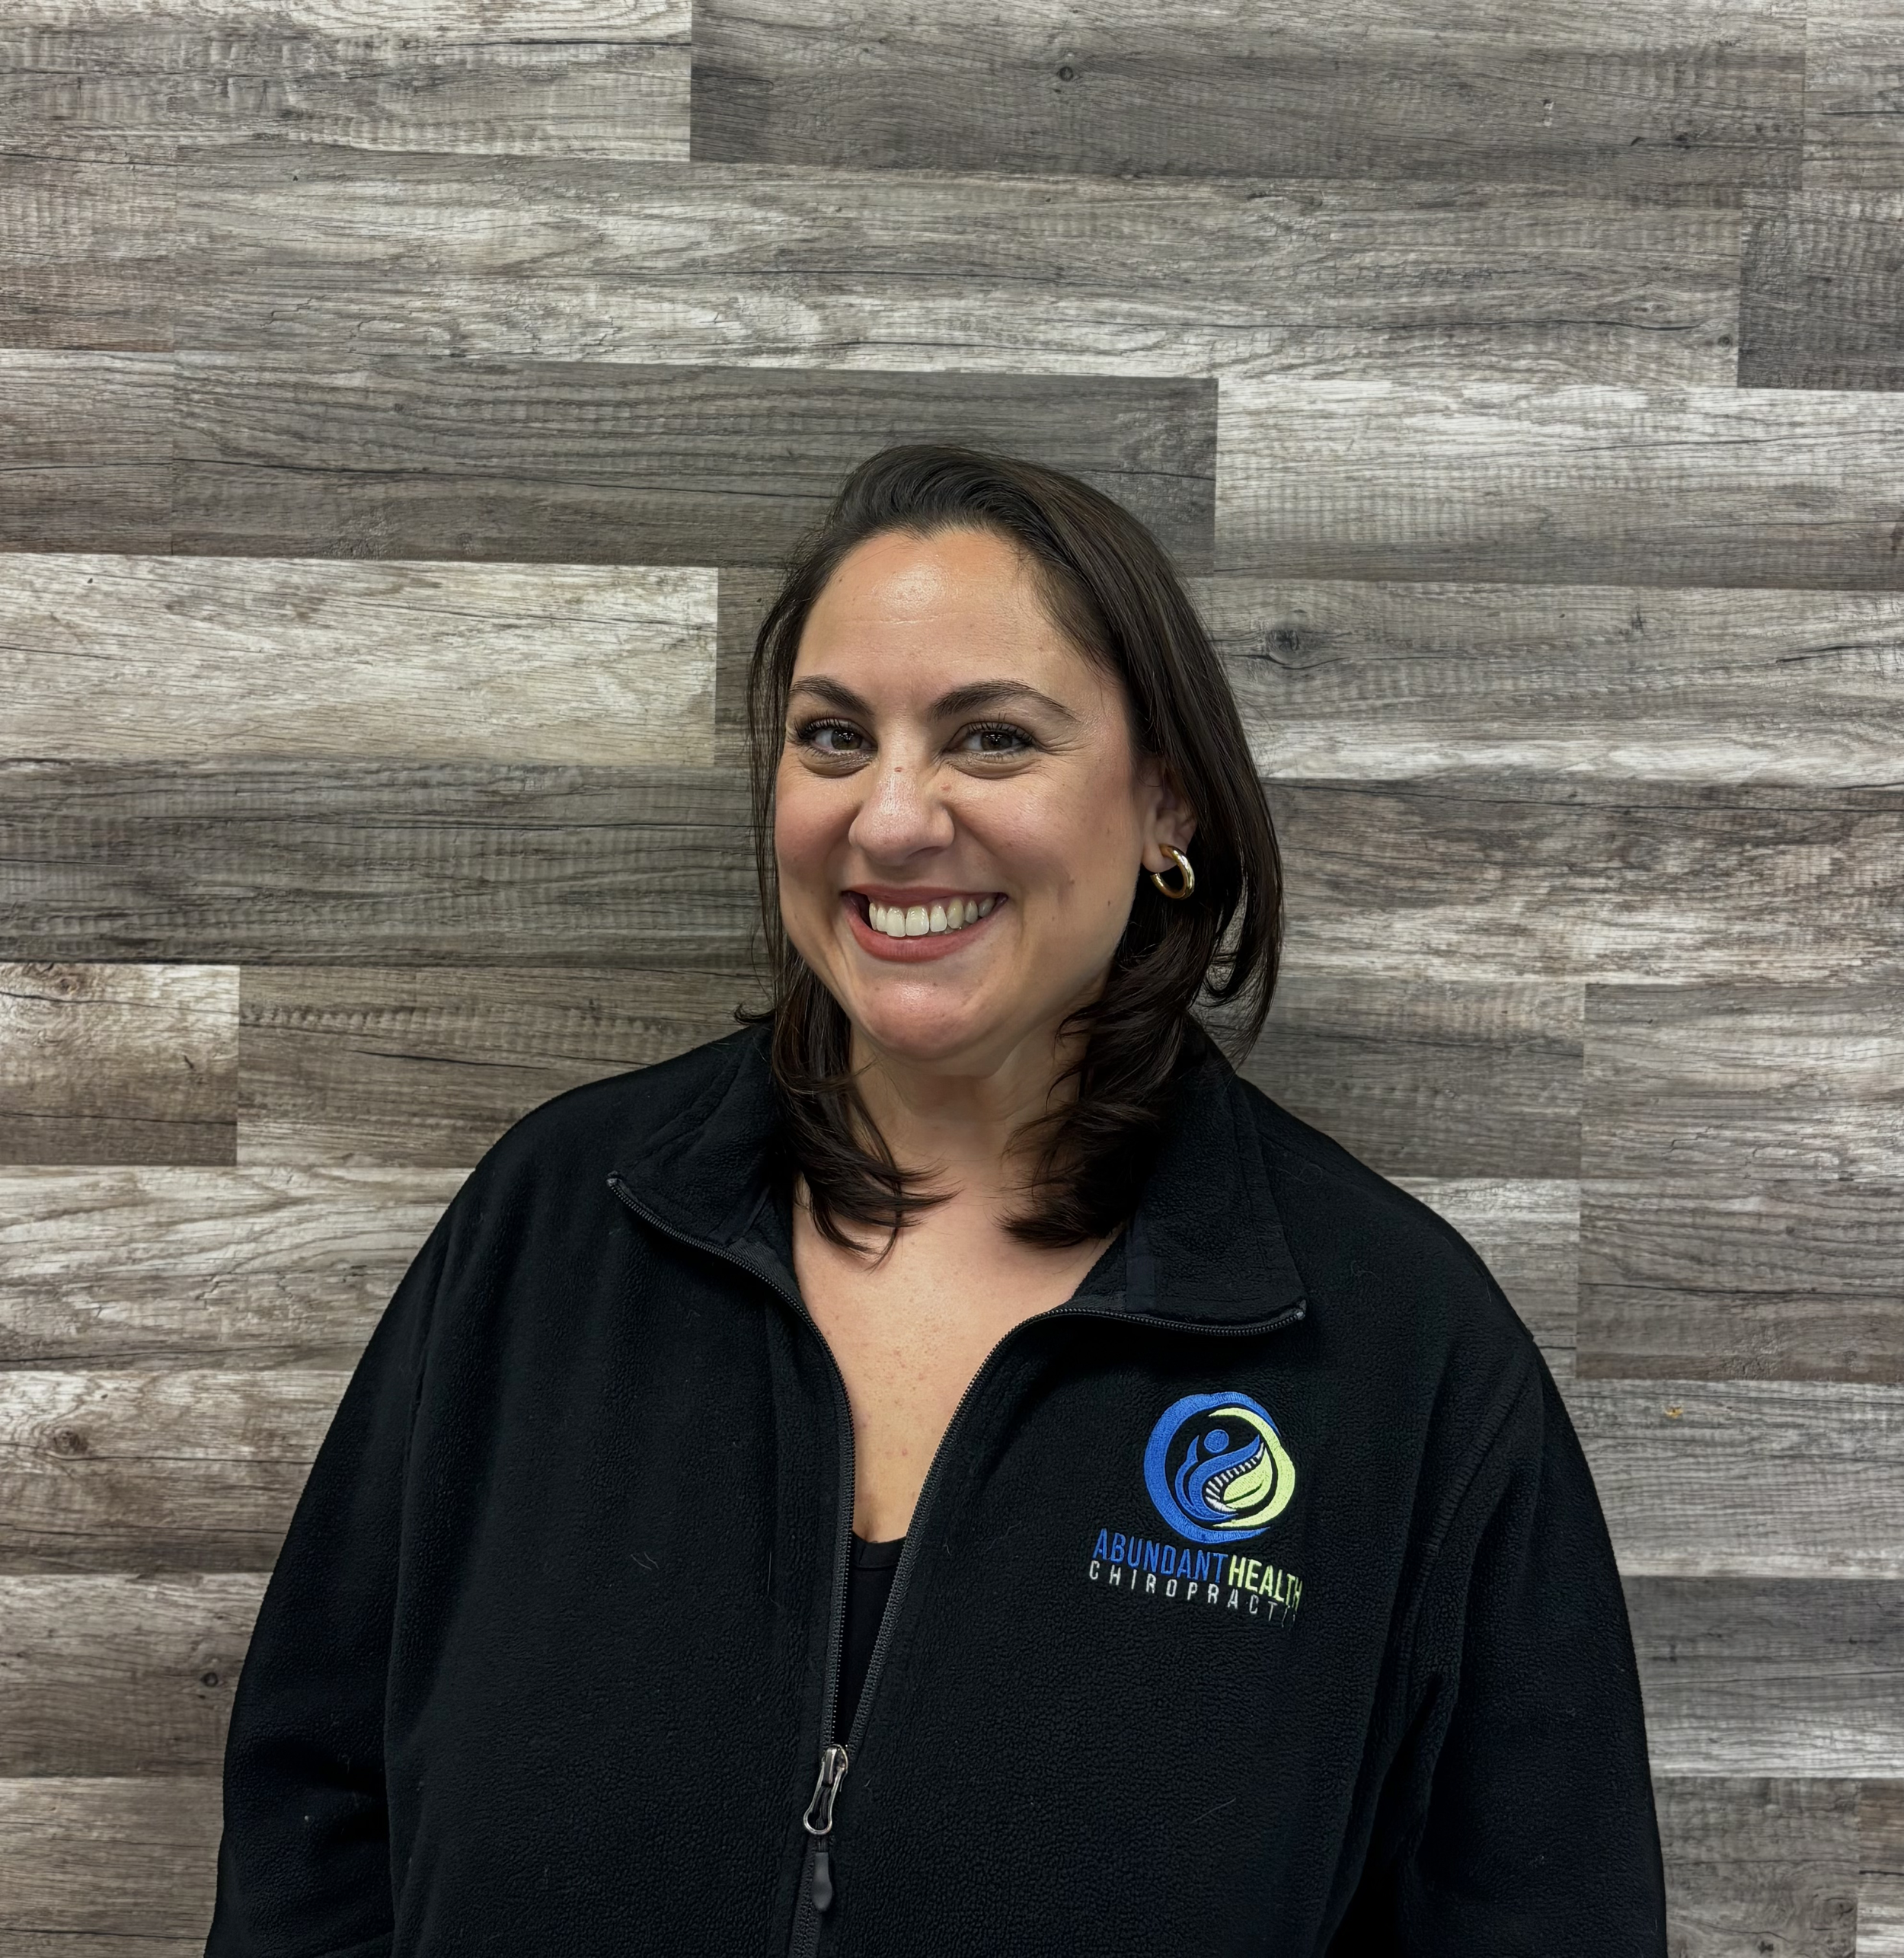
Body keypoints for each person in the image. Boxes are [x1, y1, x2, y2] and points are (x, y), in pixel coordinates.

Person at [204, 444, 1669, 1955]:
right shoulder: (555, 1227)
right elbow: (313, 1822)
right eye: (835, 737)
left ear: (1167, 801)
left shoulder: (1396, 1354)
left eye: (990, 738)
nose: (892, 818)